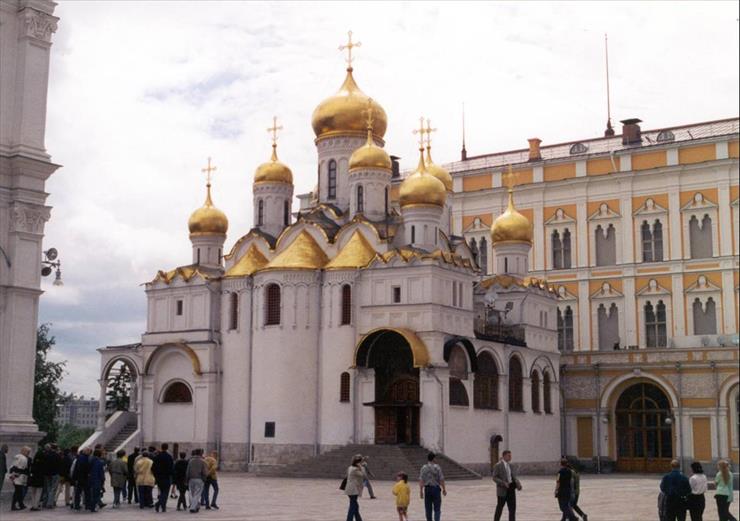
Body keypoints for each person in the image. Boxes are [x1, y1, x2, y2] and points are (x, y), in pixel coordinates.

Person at [492, 450, 521, 521]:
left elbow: (514, 476)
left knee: (512, 509)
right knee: (500, 507)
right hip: (502, 490)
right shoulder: (498, 466)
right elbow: (494, 477)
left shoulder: (511, 465)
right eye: (509, 456)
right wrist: (503, 483)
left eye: (511, 455)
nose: (510, 457)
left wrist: (518, 483)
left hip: (511, 489)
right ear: (504, 456)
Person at [419, 452, 446, 521]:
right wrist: (444, 489)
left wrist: (421, 491)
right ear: (433, 458)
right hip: (436, 489)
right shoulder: (437, 467)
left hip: (427, 489)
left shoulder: (424, 468)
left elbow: (421, 480)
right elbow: (441, 479)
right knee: (437, 508)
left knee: (428, 508)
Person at [152, 442, 174, 513]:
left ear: (161, 447)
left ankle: (162, 506)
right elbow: (172, 468)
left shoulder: (157, 457)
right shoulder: (169, 457)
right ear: (167, 448)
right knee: (165, 493)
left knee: (162, 492)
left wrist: (156, 475)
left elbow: (153, 468)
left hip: (159, 477)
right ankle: (159, 504)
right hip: (167, 477)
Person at [345, 454, 366, 521]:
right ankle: (349, 519)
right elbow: (363, 475)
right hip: (353, 489)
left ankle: (358, 519)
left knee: (355, 505)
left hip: (349, 488)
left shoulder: (350, 467)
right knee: (353, 506)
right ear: (358, 463)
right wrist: (362, 467)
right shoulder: (355, 469)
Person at [186, 449, 208, 513]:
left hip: (191, 479)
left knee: (191, 493)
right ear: (201, 454)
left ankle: (195, 506)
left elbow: (187, 471)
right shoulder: (203, 461)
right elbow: (205, 472)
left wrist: (187, 479)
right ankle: (193, 507)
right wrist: (204, 479)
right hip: (199, 479)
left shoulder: (191, 461)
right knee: (197, 494)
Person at [9, 446, 31, 511]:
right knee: (18, 492)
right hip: (19, 477)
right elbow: (21, 469)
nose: (29, 453)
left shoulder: (17, 456)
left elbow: (13, 467)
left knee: (18, 492)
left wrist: (12, 475)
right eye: (28, 452)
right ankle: (15, 506)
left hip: (15, 476)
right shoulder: (24, 458)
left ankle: (19, 505)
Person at [27, 445, 45, 511]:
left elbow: (31, 470)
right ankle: (36, 505)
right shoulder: (43, 463)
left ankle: (33, 505)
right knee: (38, 492)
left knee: (33, 493)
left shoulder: (33, 463)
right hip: (40, 478)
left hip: (33, 478)